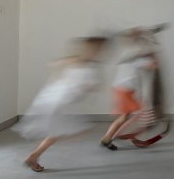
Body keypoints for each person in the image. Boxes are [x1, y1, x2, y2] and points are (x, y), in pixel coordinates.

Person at [16, 36, 109, 172]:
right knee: (71, 132)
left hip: (56, 99)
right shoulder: (82, 62)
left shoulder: (84, 62)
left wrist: (66, 79)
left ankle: (33, 156)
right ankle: (33, 155)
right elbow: (55, 66)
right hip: (58, 101)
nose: (100, 52)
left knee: (60, 133)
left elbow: (55, 65)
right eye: (99, 49)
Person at [99, 26, 162, 150]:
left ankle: (109, 138)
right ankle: (120, 136)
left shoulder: (129, 52)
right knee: (143, 113)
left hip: (121, 89)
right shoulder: (136, 56)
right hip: (124, 91)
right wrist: (153, 46)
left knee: (127, 116)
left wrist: (147, 37)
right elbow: (154, 65)